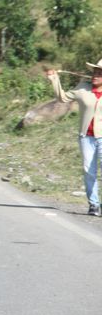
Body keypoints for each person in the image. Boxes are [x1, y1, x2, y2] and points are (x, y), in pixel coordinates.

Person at [45, 60, 102, 217]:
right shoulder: (83, 88)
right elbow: (62, 98)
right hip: (86, 137)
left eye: (99, 73)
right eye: (95, 72)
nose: (95, 75)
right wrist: (54, 79)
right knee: (89, 171)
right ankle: (94, 204)